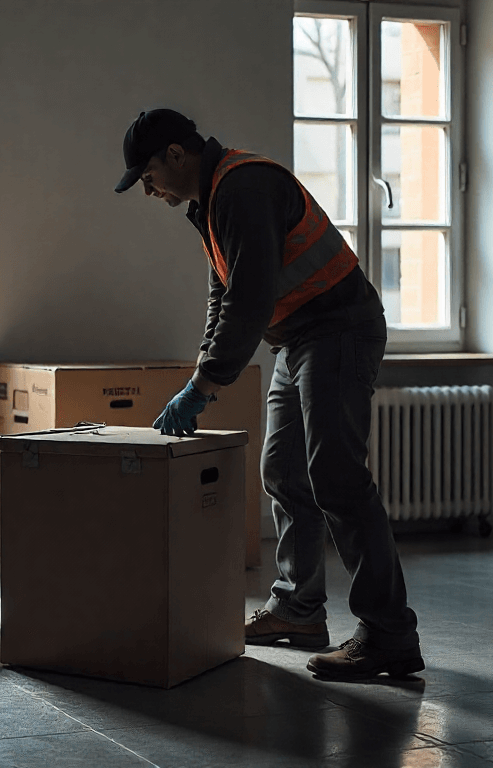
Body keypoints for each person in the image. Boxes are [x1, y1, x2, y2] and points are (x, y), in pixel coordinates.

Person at [116, 108, 423, 681]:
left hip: (338, 327)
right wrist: (200, 374)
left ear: (176, 156)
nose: (149, 190)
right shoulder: (209, 205)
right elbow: (224, 296)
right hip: (298, 338)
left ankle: (389, 633)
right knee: (283, 470)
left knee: (338, 478)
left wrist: (204, 386)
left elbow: (250, 300)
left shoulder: (245, 186)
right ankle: (298, 608)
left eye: (148, 176)